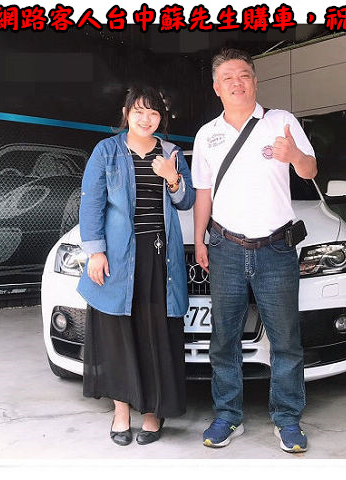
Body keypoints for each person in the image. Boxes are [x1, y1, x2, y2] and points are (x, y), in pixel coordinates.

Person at [191, 48, 317, 453]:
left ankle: (287, 419)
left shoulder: (281, 122)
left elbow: (310, 170)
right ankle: (228, 415)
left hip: (275, 248)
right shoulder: (207, 134)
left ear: (255, 81)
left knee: (286, 341)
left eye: (243, 75)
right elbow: (203, 193)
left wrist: (294, 155)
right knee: (224, 339)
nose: (237, 82)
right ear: (216, 87)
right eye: (227, 77)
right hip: (225, 247)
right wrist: (199, 239)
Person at [77, 86, 195, 446]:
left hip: (160, 257)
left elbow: (186, 201)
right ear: (127, 113)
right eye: (140, 111)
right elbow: (91, 203)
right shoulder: (107, 151)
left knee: (155, 335)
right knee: (119, 335)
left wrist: (171, 177)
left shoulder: (171, 153)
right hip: (117, 257)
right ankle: (121, 412)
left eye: (154, 113)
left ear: (162, 118)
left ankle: (152, 414)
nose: (147, 119)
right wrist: (95, 252)